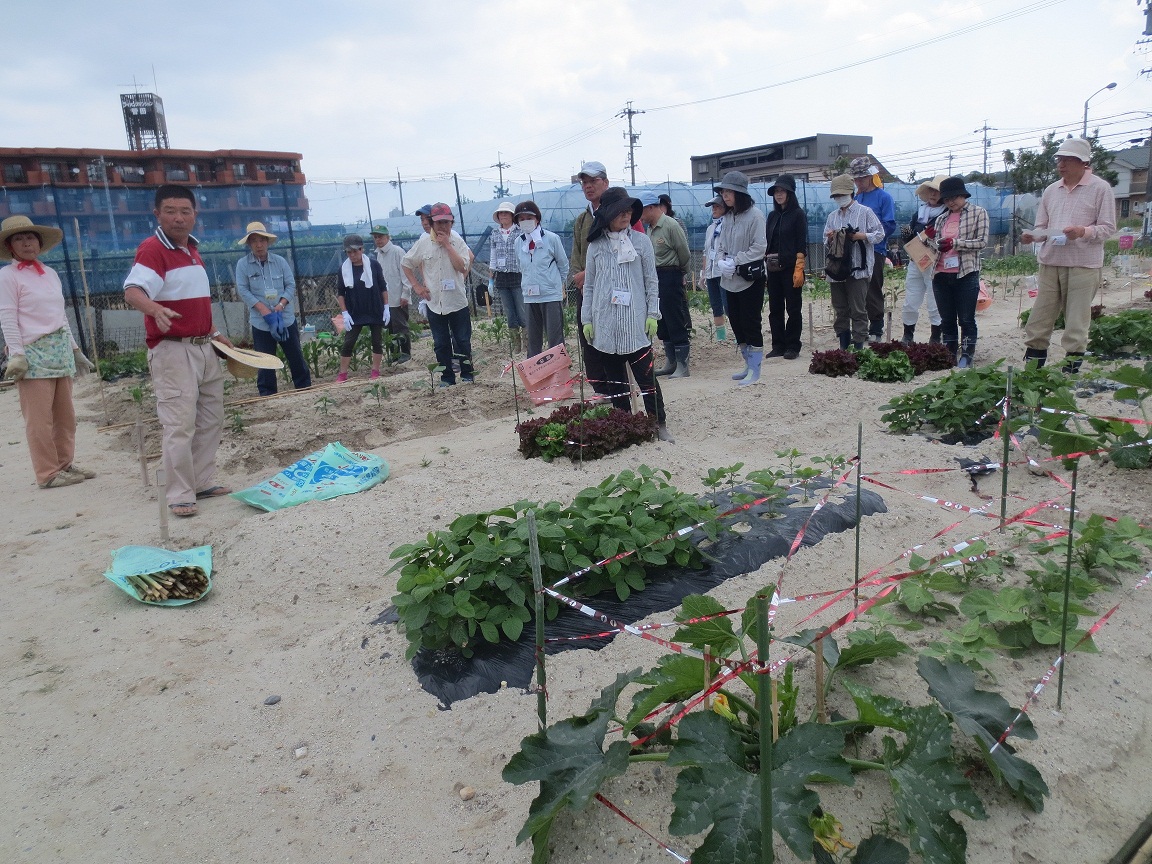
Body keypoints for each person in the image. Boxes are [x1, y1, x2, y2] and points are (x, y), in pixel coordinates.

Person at [123, 184, 234, 517]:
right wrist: (154, 310)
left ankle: (201, 481)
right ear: (157, 214)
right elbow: (132, 291)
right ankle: (179, 493)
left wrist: (215, 333)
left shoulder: (191, 250)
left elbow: (194, 303)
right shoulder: (152, 249)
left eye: (185, 211)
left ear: (195, 215)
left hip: (203, 347)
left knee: (211, 418)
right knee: (179, 423)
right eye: (170, 211)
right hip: (173, 350)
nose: (179, 217)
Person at [0, 215, 96, 488]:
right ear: (10, 246)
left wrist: (75, 349)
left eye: (31, 237)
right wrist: (17, 353)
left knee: (65, 416)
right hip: (32, 352)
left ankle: (65, 463)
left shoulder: (49, 274)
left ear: (39, 243)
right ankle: (47, 473)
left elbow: (60, 315)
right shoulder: (7, 276)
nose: (26, 243)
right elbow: (7, 316)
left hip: (59, 349)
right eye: (19, 238)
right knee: (39, 419)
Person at [580, 187, 672, 441]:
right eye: (621, 211)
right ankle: (624, 425)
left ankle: (658, 424)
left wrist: (652, 313)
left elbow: (651, 281)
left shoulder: (641, 242)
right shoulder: (596, 246)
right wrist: (587, 319)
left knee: (646, 378)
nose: (626, 214)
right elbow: (589, 285)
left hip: (635, 323)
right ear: (608, 214)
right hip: (606, 323)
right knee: (616, 382)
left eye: (629, 210)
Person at [1021, 137, 1116, 373]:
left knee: (1076, 320)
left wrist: (1082, 231)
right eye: (1059, 160)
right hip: (1051, 261)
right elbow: (1042, 227)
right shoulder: (1051, 190)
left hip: (1083, 264)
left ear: (1083, 162)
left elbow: (1108, 227)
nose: (1061, 164)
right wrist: (1033, 235)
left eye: (1067, 160)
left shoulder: (1100, 188)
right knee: (1040, 316)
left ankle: (1069, 372)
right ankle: (1033, 369)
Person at [234, 221, 311, 396]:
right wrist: (263, 309)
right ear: (249, 244)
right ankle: (267, 393)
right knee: (264, 359)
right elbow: (243, 290)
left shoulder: (280, 262)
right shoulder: (243, 265)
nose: (259, 245)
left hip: (285, 318)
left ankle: (304, 387)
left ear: (267, 242)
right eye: (254, 241)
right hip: (261, 322)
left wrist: (281, 304)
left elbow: (290, 285)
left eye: (262, 240)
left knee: (295, 355)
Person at [402, 203, 475, 387]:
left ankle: (467, 374)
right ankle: (447, 378)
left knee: (463, 341)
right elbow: (406, 263)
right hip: (435, 302)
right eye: (438, 222)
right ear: (432, 223)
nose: (442, 226)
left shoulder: (457, 241)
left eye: (446, 222)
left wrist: (448, 246)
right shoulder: (424, 243)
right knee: (441, 343)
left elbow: (463, 266)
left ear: (451, 223)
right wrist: (417, 286)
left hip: (457, 301)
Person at [568, 161, 615, 401]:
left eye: (593, 181)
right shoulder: (582, 219)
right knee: (588, 336)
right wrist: (579, 277)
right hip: (587, 291)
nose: (588, 186)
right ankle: (599, 389)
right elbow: (577, 255)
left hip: (612, 289)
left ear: (606, 182)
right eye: (584, 182)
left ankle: (617, 386)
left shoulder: (618, 214)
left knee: (610, 334)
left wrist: (590, 273)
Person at [715, 170, 768, 386]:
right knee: (736, 322)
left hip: (750, 278)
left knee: (750, 322)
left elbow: (759, 247)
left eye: (730, 192)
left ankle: (755, 370)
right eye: (724, 191)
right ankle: (747, 364)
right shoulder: (727, 217)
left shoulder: (755, 216)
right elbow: (721, 245)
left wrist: (736, 260)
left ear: (740, 193)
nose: (725, 196)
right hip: (730, 279)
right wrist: (721, 261)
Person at [930, 176, 989, 368]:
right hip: (941, 273)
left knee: (966, 318)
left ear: (963, 195)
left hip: (966, 272)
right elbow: (935, 246)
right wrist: (930, 241)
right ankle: (949, 353)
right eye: (947, 199)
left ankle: (967, 353)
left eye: (954, 197)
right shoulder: (941, 219)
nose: (951, 202)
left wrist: (955, 243)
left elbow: (982, 242)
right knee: (946, 318)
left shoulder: (978, 213)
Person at [823, 174, 885, 350]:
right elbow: (824, 239)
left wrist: (861, 236)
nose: (839, 198)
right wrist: (830, 238)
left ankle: (858, 347)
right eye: (836, 196)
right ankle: (843, 346)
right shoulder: (832, 216)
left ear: (851, 192)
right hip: (836, 269)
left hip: (859, 268)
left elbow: (880, 234)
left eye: (841, 194)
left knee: (858, 309)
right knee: (840, 309)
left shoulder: (865, 212)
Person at [639, 191, 692, 378]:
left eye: (642, 210)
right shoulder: (650, 228)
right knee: (662, 320)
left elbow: (684, 253)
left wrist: (680, 274)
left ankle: (683, 365)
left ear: (652, 208)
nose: (640, 216)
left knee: (675, 317)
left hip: (671, 275)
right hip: (655, 277)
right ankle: (671, 361)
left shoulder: (670, 225)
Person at [848, 157, 896, 341]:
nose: (858, 182)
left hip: (876, 249)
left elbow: (889, 225)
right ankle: (861, 326)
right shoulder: (856, 197)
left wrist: (871, 235)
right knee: (857, 288)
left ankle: (876, 328)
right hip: (856, 250)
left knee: (873, 286)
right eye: (856, 179)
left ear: (870, 177)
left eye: (861, 178)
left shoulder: (884, 197)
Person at [512, 200, 568, 357]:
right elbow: (520, 266)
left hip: (550, 295)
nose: (525, 222)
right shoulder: (518, 242)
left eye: (528, 217)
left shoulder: (552, 238)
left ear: (537, 218)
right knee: (533, 339)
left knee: (555, 338)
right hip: (530, 297)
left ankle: (559, 374)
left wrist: (556, 285)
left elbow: (563, 265)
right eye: (521, 219)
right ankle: (535, 376)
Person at [763, 174, 808, 360]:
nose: (779, 194)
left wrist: (799, 267)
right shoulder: (772, 216)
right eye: (776, 191)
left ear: (790, 193)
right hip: (774, 268)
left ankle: (793, 345)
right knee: (775, 308)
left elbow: (801, 242)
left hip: (791, 268)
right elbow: (768, 242)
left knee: (793, 308)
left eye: (782, 191)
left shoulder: (798, 215)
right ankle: (778, 344)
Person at [334, 233, 389, 383]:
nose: (352, 255)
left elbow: (383, 287)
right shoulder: (344, 269)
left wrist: (386, 307)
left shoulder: (373, 265)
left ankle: (375, 371)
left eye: (355, 251)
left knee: (377, 341)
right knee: (348, 342)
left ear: (362, 249)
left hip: (374, 308)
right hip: (355, 312)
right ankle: (343, 373)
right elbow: (341, 293)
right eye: (349, 252)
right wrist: (345, 312)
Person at [900, 175, 947, 344]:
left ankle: (935, 336)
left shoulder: (946, 215)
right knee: (911, 299)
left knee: (934, 301)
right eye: (931, 191)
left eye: (937, 191)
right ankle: (908, 335)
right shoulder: (919, 213)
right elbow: (912, 236)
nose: (933, 194)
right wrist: (907, 237)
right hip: (916, 261)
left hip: (935, 263)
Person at [371, 224, 412, 364]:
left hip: (397, 296)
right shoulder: (379, 254)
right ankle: (394, 354)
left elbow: (405, 273)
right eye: (376, 237)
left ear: (388, 237)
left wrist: (405, 294)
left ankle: (405, 353)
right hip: (386, 299)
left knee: (400, 326)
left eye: (381, 237)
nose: (378, 240)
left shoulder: (397, 251)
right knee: (388, 328)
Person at [488, 202, 526, 352]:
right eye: (501, 213)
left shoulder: (520, 232)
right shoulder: (495, 234)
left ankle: (527, 344)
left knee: (522, 311)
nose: (503, 215)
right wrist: (491, 279)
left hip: (518, 275)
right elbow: (493, 257)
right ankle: (516, 345)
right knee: (510, 313)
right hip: (502, 277)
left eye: (506, 213)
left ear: (512, 216)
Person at [700, 194, 729, 342]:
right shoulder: (710, 228)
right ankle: (721, 338)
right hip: (711, 272)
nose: (714, 210)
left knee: (729, 305)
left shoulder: (729, 225)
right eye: (713, 207)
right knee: (716, 305)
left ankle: (739, 335)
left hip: (724, 271)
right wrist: (703, 273)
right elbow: (706, 251)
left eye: (718, 207)